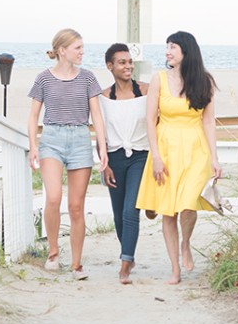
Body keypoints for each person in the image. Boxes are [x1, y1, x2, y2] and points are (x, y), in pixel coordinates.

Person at [134, 31, 222, 285]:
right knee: (168, 212)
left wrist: (215, 158)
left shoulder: (204, 81)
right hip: (166, 148)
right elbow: (150, 120)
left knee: (188, 203)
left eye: (173, 47)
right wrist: (157, 157)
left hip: (196, 149)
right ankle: (175, 269)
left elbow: (208, 122)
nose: (168, 52)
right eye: (167, 47)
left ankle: (186, 243)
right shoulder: (159, 79)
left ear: (187, 51)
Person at [27, 29, 108, 281]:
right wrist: (34, 146)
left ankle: (76, 265)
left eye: (82, 47)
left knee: (76, 207)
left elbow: (97, 116)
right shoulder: (43, 79)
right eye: (78, 48)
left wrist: (102, 146)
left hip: (80, 140)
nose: (82, 52)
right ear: (62, 50)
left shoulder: (88, 78)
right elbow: (32, 116)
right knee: (52, 197)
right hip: (51, 139)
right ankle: (53, 253)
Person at [99, 44, 150, 285]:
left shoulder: (147, 92)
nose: (128, 66)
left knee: (131, 210)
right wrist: (104, 163)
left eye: (130, 61)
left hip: (141, 156)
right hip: (114, 158)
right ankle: (128, 253)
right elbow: (99, 133)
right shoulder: (102, 97)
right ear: (110, 66)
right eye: (122, 62)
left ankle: (125, 263)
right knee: (118, 215)